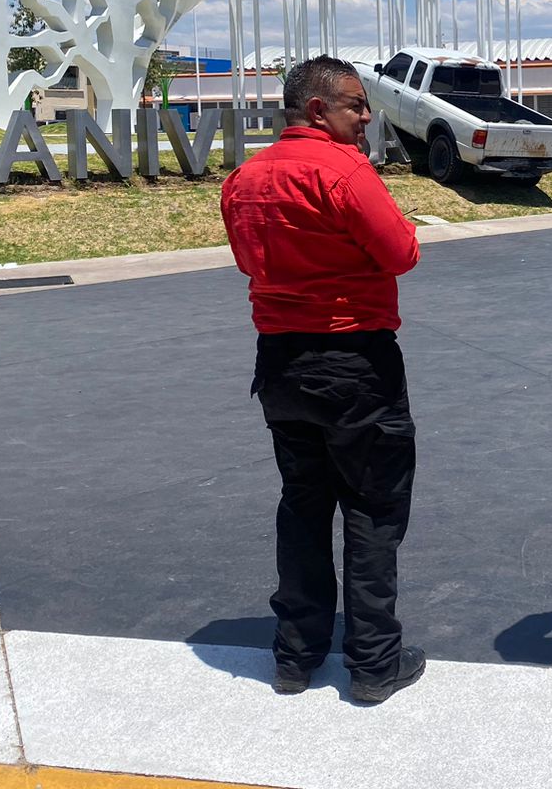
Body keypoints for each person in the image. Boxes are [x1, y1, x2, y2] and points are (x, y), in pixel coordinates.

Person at [220, 55, 426, 702]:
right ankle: (372, 665)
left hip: (280, 365)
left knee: (303, 505)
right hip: (355, 363)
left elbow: (247, 261)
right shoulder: (344, 170)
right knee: (371, 508)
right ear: (318, 109)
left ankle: (295, 657)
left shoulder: (244, 180)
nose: (366, 116)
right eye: (356, 105)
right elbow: (402, 253)